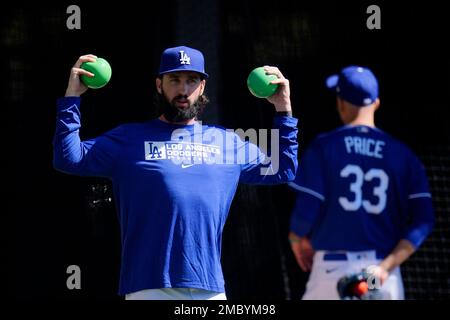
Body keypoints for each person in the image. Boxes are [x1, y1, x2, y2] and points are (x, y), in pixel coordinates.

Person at [53, 46, 298, 300]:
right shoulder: (129, 138)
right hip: (150, 287)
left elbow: (284, 169)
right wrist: (72, 98)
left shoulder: (227, 142)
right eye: (174, 80)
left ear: (202, 87)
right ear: (159, 85)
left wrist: (283, 109)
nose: (183, 90)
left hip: (209, 288)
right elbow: (69, 159)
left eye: (191, 80)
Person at [288, 66, 434, 300]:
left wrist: (297, 238)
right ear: (376, 103)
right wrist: (385, 267)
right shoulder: (403, 155)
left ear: (340, 103)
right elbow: (424, 221)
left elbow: (307, 209)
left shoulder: (325, 146)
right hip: (380, 273)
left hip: (333, 271)